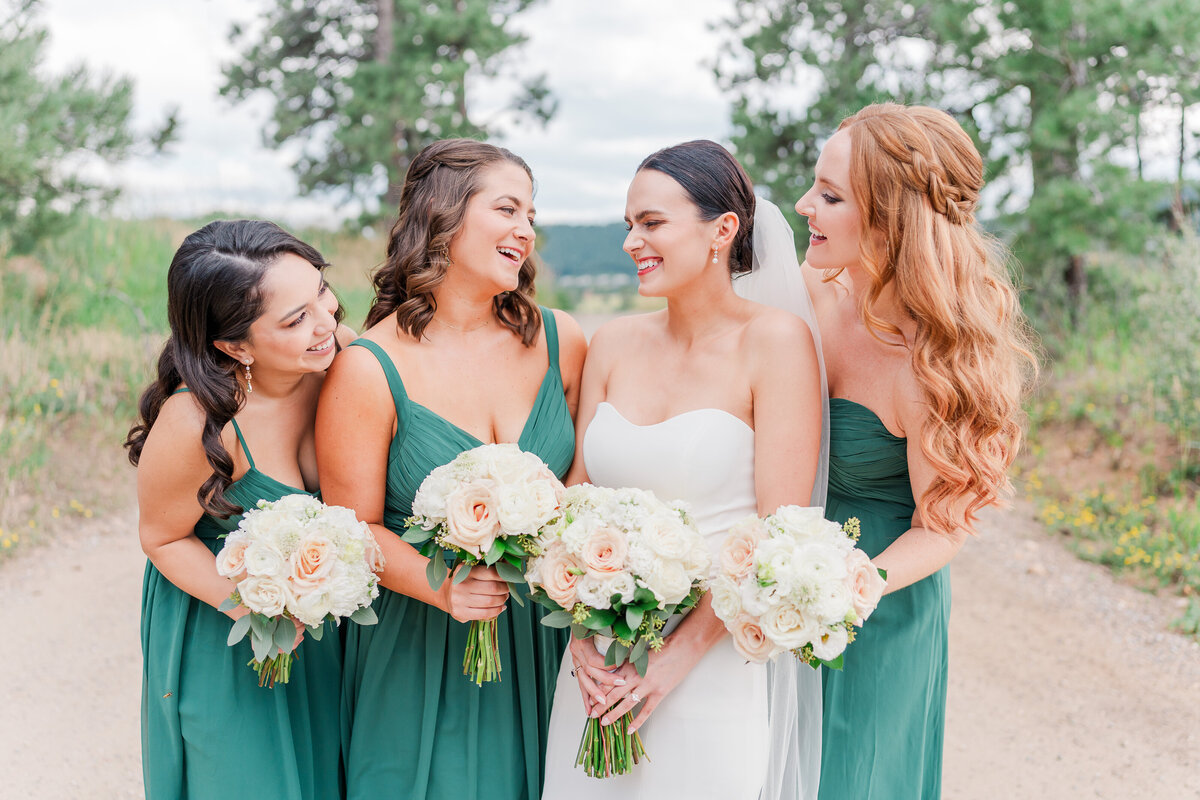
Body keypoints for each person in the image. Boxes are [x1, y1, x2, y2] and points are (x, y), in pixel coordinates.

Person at [541, 140, 826, 800]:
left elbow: (780, 532)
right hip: (599, 663)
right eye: (628, 225)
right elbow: (577, 500)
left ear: (722, 229)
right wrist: (583, 640)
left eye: (652, 223)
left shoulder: (776, 343)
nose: (631, 241)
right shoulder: (612, 342)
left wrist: (676, 659)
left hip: (711, 661)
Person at [315, 138, 587, 800]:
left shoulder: (562, 342)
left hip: (539, 642)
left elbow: (581, 488)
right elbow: (352, 526)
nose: (525, 230)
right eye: (507, 208)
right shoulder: (369, 367)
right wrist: (441, 587)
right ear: (443, 214)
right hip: (420, 643)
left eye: (531, 213)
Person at [794, 103, 1037, 799]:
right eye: (815, 185)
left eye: (831, 196)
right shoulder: (805, 291)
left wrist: (852, 588)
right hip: (770, 584)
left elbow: (943, 527)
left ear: (892, 216)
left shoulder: (935, 363)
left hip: (876, 604)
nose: (806, 205)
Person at [127, 219, 356, 799]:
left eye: (321, 295)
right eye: (295, 319)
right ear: (233, 345)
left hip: (318, 632)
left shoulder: (342, 360)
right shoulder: (198, 422)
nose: (325, 324)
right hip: (225, 631)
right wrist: (256, 607)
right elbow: (161, 538)